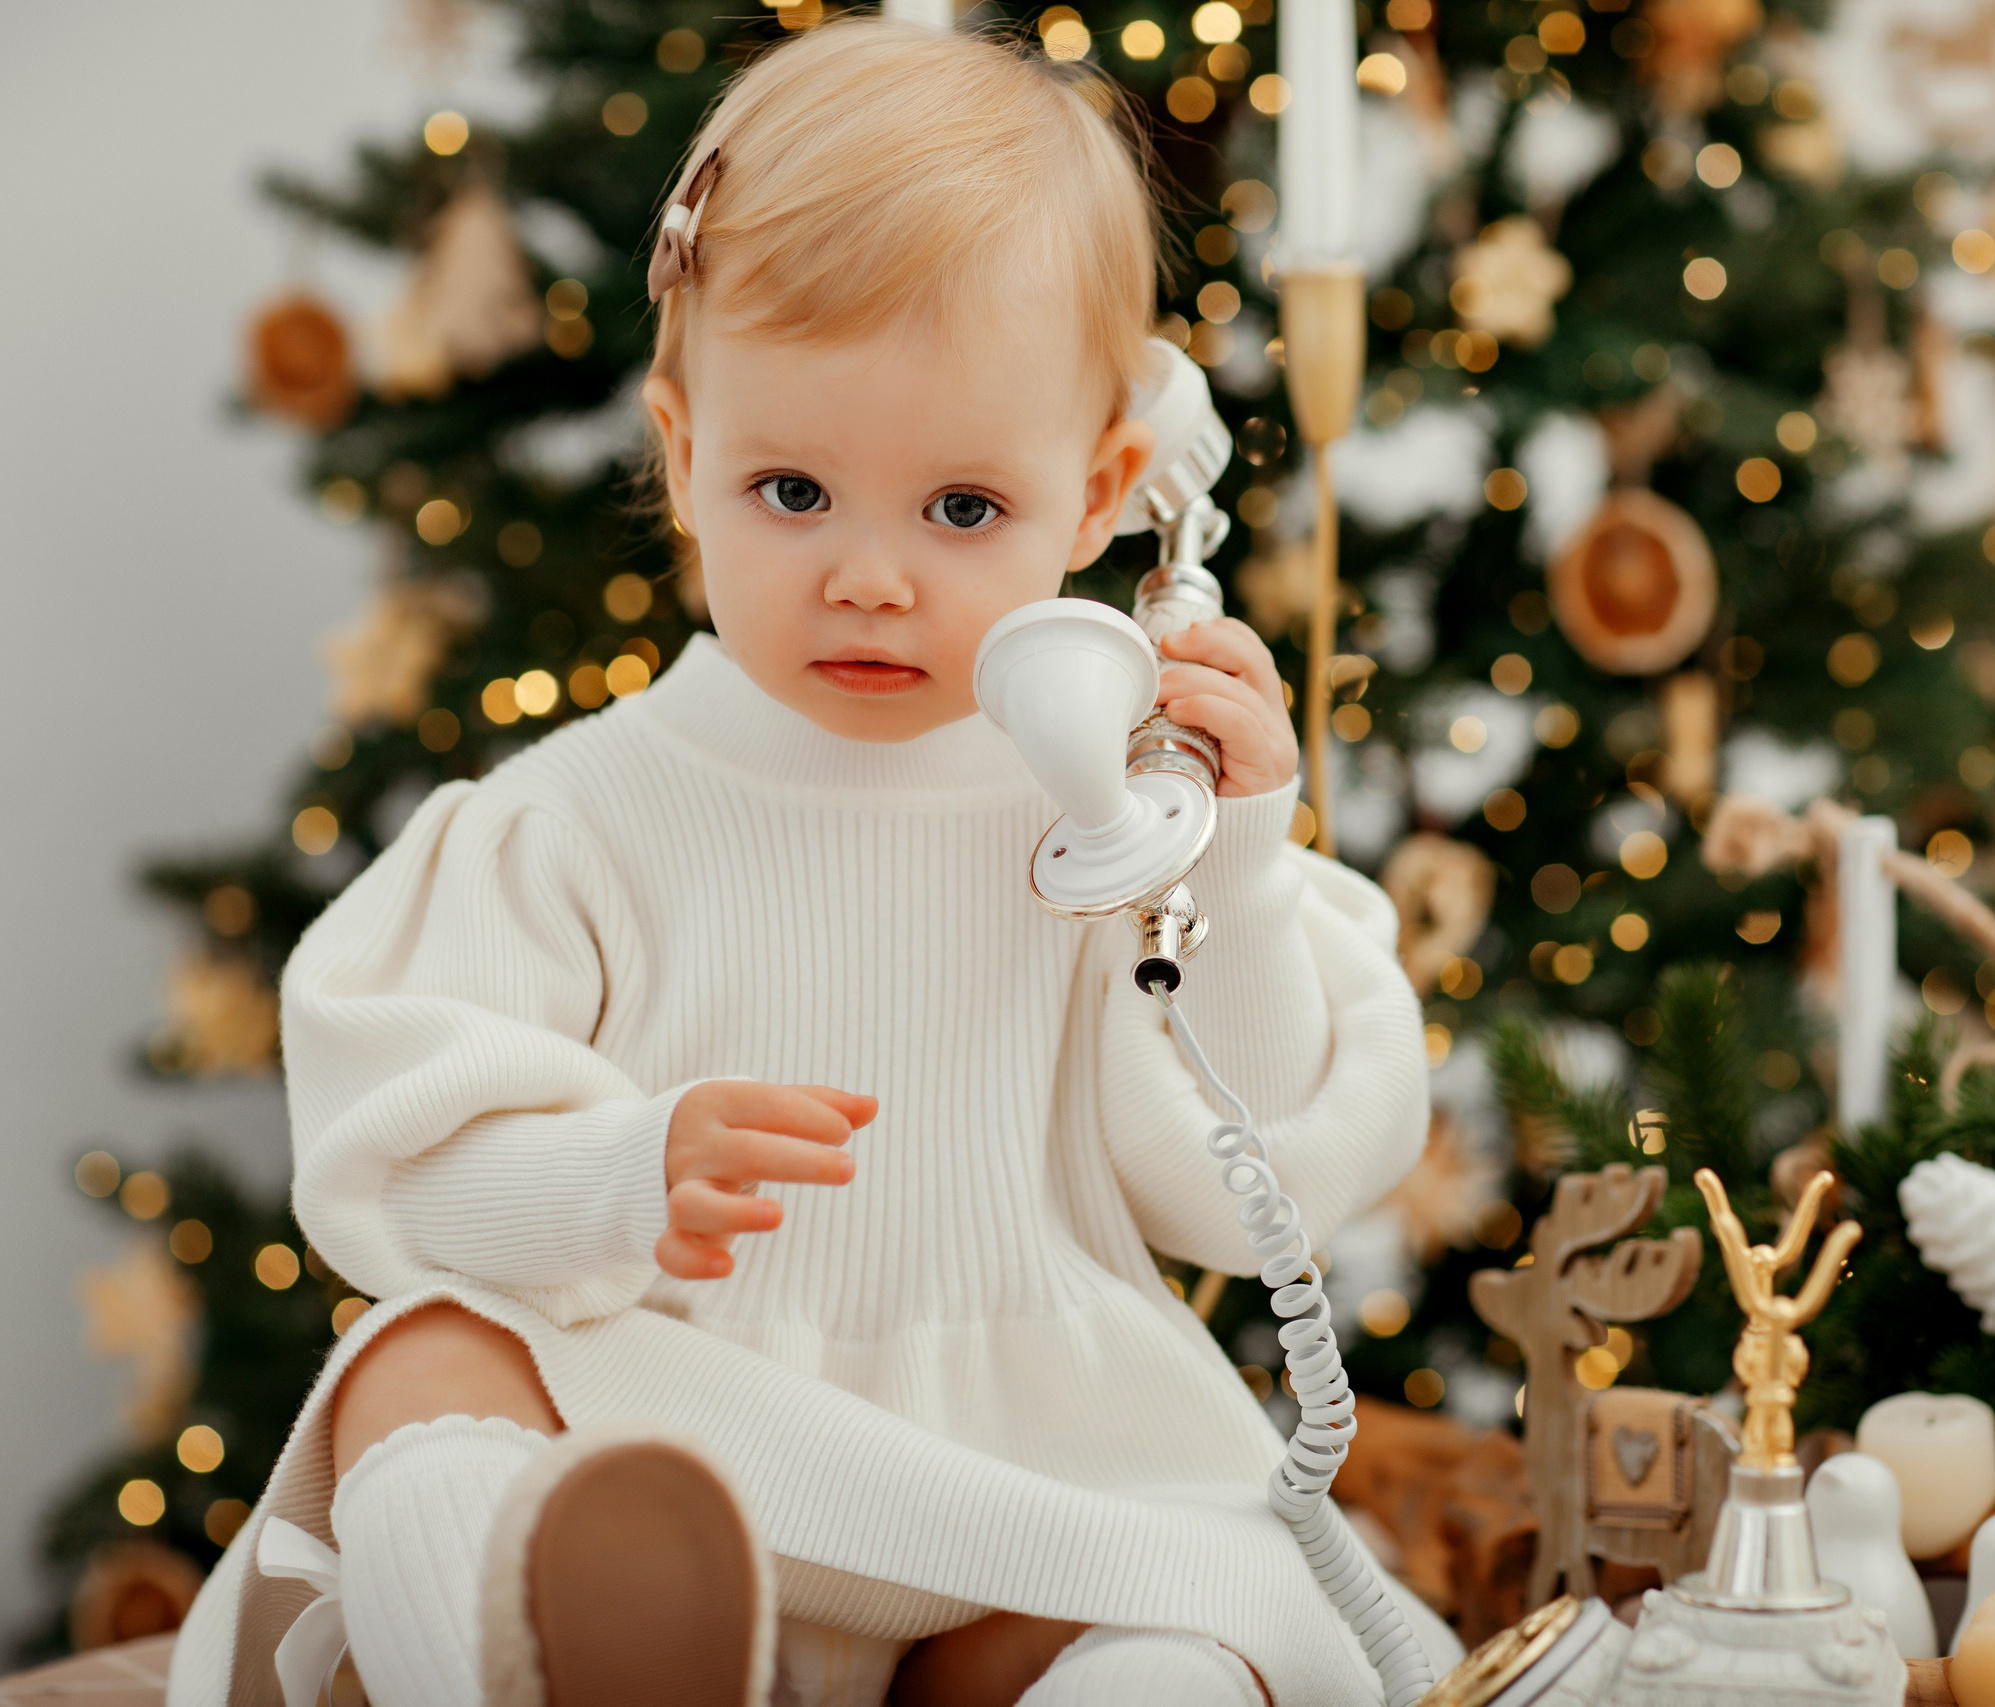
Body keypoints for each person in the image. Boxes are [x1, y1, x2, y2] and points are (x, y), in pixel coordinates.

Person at [166, 20, 1450, 1706]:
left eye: (963, 509)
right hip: (683, 1444)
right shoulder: (575, 819)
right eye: (792, 490)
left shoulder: (1105, 810)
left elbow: (1238, 1190)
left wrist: (1237, 862)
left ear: (1101, 497)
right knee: (425, 1359)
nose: (870, 577)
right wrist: (620, 1178)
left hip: (1026, 1477)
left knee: (1210, 1627)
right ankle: (528, 1660)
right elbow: (396, 1157)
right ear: (684, 452)